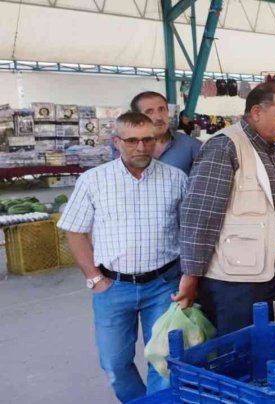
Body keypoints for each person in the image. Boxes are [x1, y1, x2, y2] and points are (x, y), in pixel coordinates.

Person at [57, 112, 187, 402]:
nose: (141, 147)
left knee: (163, 361)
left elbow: (188, 231)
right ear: (116, 142)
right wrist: (94, 278)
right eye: (131, 140)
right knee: (114, 363)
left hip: (163, 285)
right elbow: (74, 231)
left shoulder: (176, 179)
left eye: (148, 139)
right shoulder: (94, 181)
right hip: (112, 287)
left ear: (157, 141)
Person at [173, 82, 275, 335]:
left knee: (264, 344)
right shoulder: (224, 146)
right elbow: (199, 215)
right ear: (256, 112)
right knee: (239, 350)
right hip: (235, 282)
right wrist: (191, 275)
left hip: (269, 273)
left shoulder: (269, 151)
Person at [128, 91, 201, 175]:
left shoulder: (192, 146)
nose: (159, 117)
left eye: (161, 109)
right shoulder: (124, 146)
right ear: (136, 118)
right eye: (149, 112)